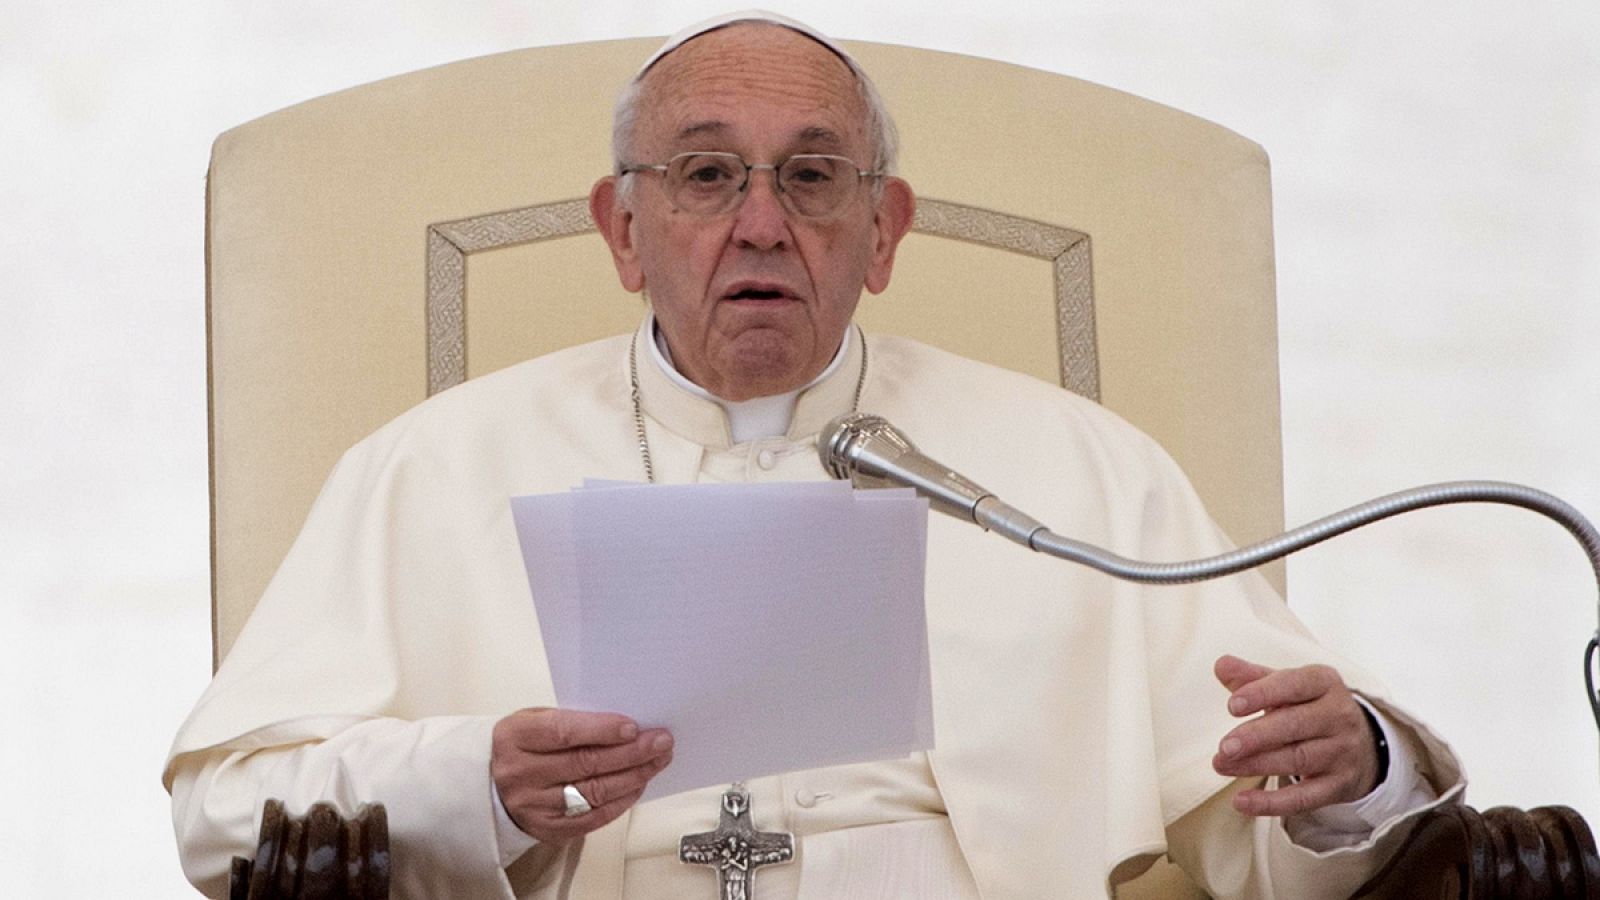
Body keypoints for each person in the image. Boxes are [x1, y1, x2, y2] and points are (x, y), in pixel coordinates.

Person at [166, 11, 1464, 899]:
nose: (762, 226)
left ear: (884, 230)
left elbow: (1282, 842)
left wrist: (1354, 770)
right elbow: (224, 817)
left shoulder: (1085, 471)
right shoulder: (430, 467)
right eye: (706, 176)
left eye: (814, 177)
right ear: (624, 231)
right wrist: (474, 781)